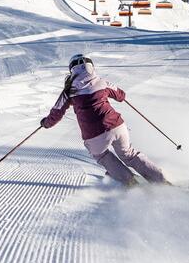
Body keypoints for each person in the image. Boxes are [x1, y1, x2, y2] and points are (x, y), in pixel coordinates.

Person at [40, 54, 169, 186]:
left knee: (102, 155)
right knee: (129, 154)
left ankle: (130, 182)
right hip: (117, 126)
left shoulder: (69, 91)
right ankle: (160, 179)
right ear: (91, 67)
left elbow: (56, 114)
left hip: (94, 135)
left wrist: (45, 123)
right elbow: (121, 95)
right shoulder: (102, 82)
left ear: (71, 70)